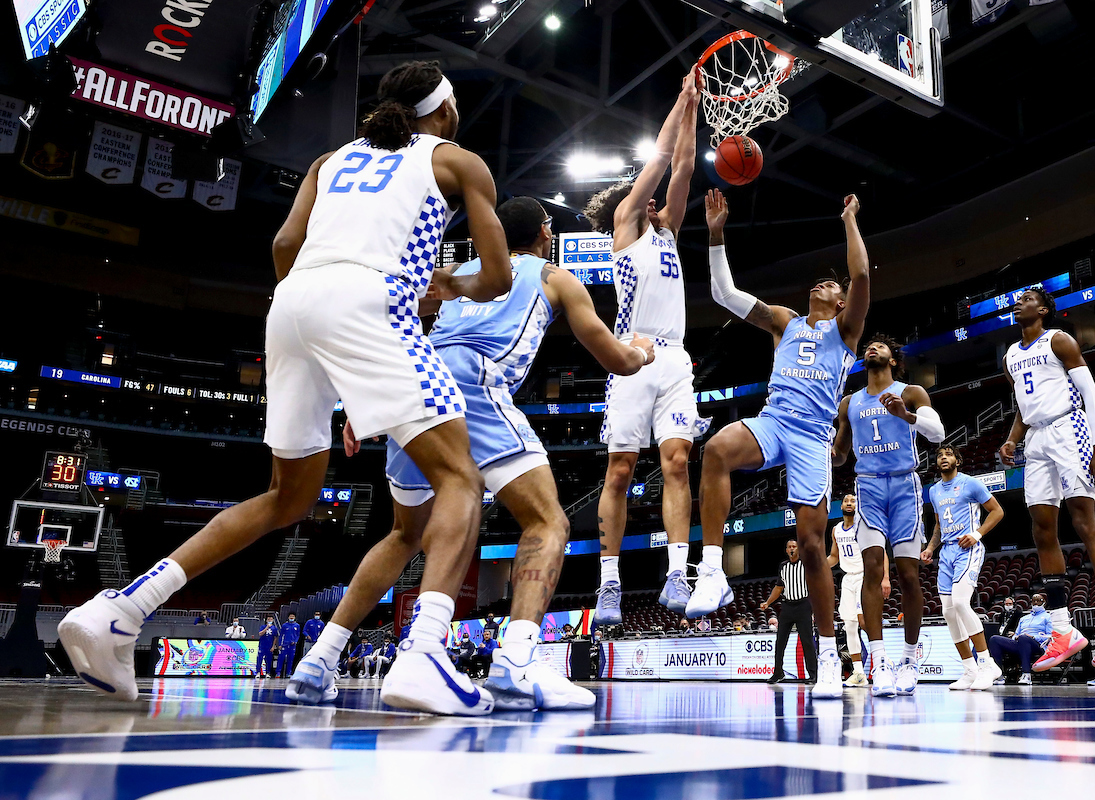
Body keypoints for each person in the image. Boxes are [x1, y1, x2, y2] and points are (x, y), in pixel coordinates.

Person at [57, 60, 513, 707]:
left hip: (295, 305)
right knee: (459, 479)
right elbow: (494, 278)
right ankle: (424, 653)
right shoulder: (456, 160)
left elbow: (284, 244)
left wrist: (324, 327)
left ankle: (122, 610)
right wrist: (448, 284)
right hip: (371, 302)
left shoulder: (331, 161)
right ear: (442, 111)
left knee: (284, 498)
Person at [291, 197, 653, 713]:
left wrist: (369, 397)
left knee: (404, 533)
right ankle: (516, 664)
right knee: (548, 523)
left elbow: (392, 323)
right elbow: (616, 359)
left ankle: (318, 661)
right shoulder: (554, 277)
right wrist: (645, 351)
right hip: (472, 380)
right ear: (545, 234)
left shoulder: (457, 274)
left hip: (415, 384)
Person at [695, 188, 870, 700]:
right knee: (717, 450)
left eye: (831, 283)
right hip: (774, 420)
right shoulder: (784, 321)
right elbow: (725, 295)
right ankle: (711, 570)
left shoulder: (847, 329)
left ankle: (831, 656)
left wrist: (849, 220)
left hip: (813, 438)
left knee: (814, 549)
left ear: (838, 302)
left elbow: (860, 276)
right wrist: (716, 234)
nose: (826, 281)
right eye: (823, 280)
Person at [586, 73, 704, 624]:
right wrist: (676, 101)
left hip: (676, 357)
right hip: (632, 358)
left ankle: (678, 574)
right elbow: (658, 162)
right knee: (619, 471)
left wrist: (694, 109)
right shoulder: (626, 227)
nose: (655, 199)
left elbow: (681, 167)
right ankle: (609, 583)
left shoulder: (669, 233)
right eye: (646, 197)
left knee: (677, 463)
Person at [999, 286, 1095, 672]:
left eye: (1026, 297)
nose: (1018, 301)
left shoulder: (1059, 340)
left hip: (1069, 429)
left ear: (1043, 309)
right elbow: (1023, 409)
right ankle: (1063, 628)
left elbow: (1090, 394)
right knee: (1042, 528)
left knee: (1083, 521)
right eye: (1018, 297)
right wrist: (1013, 439)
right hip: (1037, 440)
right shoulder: (1011, 355)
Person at [832, 332, 946, 698]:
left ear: (893, 359)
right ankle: (878, 662)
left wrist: (906, 415)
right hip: (867, 486)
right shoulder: (849, 402)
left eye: (881, 346)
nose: (872, 348)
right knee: (872, 568)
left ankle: (909, 661)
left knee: (909, 576)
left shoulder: (911, 391)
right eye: (869, 346)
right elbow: (839, 454)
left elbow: (938, 433)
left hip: (904, 487)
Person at [921, 444, 1005, 691]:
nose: (943, 458)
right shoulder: (934, 491)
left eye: (948, 455)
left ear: (957, 460)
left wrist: (977, 534)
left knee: (960, 603)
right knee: (948, 612)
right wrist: (930, 548)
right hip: (945, 552)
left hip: (967, 549)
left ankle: (987, 664)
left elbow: (997, 511)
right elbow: (938, 526)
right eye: (939, 455)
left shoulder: (971, 483)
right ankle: (969, 669)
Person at [827, 493, 890, 687]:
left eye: (853, 500)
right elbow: (834, 556)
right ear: (841, 506)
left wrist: (885, 578)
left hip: (865, 576)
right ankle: (859, 672)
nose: (849, 503)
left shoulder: (865, 526)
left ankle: (883, 663)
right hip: (848, 579)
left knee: (865, 622)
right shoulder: (836, 529)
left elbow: (882, 553)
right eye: (846, 501)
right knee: (849, 626)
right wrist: (818, 566)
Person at [761, 540, 817, 683]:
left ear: (799, 549)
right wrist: (768, 602)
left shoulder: (805, 564)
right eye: (790, 547)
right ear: (786, 550)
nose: (792, 549)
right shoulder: (783, 566)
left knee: (807, 641)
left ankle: (814, 674)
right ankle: (778, 672)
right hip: (787, 606)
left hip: (803, 605)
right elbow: (779, 587)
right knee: (780, 641)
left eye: (794, 546)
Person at [988, 594, 1052, 684]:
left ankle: (1026, 674)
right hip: (1021, 641)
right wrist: (1015, 637)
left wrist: (1033, 637)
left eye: (1039, 601)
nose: (1036, 603)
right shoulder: (1024, 618)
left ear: (1044, 603)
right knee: (994, 639)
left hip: (1037, 644)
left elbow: (1049, 636)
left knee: (1024, 638)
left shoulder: (1048, 617)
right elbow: (1016, 634)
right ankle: (999, 675)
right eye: (1034, 601)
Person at [277, 612, 302, 678]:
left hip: (292, 646)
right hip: (284, 645)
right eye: (290, 616)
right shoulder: (284, 625)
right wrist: (280, 644)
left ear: (295, 617)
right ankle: (278, 673)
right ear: (288, 617)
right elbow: (281, 635)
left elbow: (298, 635)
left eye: (293, 616)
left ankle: (288, 673)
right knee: (281, 659)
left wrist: (295, 641)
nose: (291, 618)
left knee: (290, 660)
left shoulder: (297, 625)